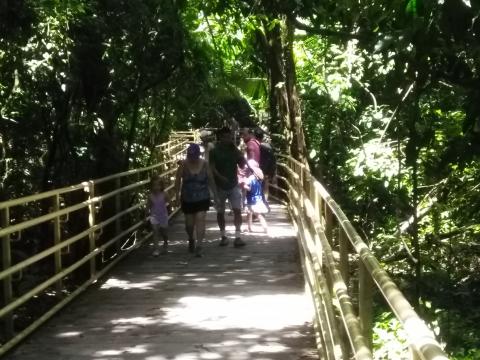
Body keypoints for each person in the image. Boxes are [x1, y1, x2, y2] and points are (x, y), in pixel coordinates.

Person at [209, 127, 247, 247]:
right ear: (220, 137)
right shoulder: (214, 151)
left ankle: (238, 236)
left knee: (237, 210)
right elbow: (212, 168)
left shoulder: (234, 150)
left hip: (233, 184)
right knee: (220, 212)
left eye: (230, 137)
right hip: (220, 186)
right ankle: (223, 236)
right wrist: (220, 177)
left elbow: (241, 165)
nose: (228, 139)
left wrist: (241, 156)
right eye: (225, 137)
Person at [174, 143, 211, 257]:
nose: (193, 159)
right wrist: (176, 196)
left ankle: (199, 245)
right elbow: (177, 181)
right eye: (191, 156)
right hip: (187, 198)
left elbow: (211, 179)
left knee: (200, 218)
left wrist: (216, 195)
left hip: (203, 197)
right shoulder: (183, 165)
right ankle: (191, 238)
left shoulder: (205, 164)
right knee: (189, 224)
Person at [242, 159, 269, 234]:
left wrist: (244, 185)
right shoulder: (259, 178)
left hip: (251, 199)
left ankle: (252, 227)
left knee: (253, 214)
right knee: (255, 214)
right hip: (258, 199)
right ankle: (259, 227)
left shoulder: (250, 178)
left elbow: (249, 188)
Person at [147, 176, 169, 256]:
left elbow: (168, 202)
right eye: (154, 185)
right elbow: (148, 205)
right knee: (155, 231)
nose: (156, 187)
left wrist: (169, 209)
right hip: (154, 215)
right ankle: (156, 249)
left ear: (161, 186)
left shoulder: (165, 194)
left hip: (163, 215)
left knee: (164, 232)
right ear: (151, 186)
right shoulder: (150, 196)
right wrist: (146, 214)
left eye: (158, 185)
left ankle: (165, 241)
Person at [254, 127, 276, 204]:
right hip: (266, 170)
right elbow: (273, 160)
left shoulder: (254, 146)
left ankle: (258, 202)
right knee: (265, 186)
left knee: (257, 186)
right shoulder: (269, 147)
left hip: (256, 170)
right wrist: (272, 173)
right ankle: (265, 202)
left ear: (254, 136)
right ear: (262, 137)